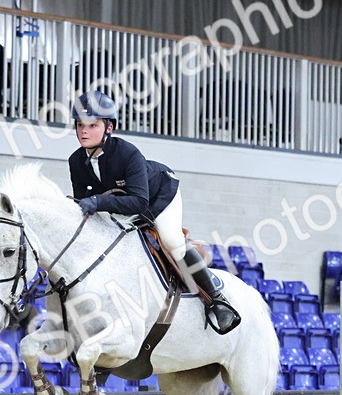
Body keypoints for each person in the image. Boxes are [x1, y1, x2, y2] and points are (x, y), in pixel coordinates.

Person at [67, 90, 240, 334]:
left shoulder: (128, 154)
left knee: (172, 240)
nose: (83, 131)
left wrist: (97, 202)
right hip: (121, 208)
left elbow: (138, 202)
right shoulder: (75, 161)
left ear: (109, 127)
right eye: (79, 125)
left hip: (158, 196)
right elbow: (84, 204)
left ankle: (217, 300)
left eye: (92, 125)